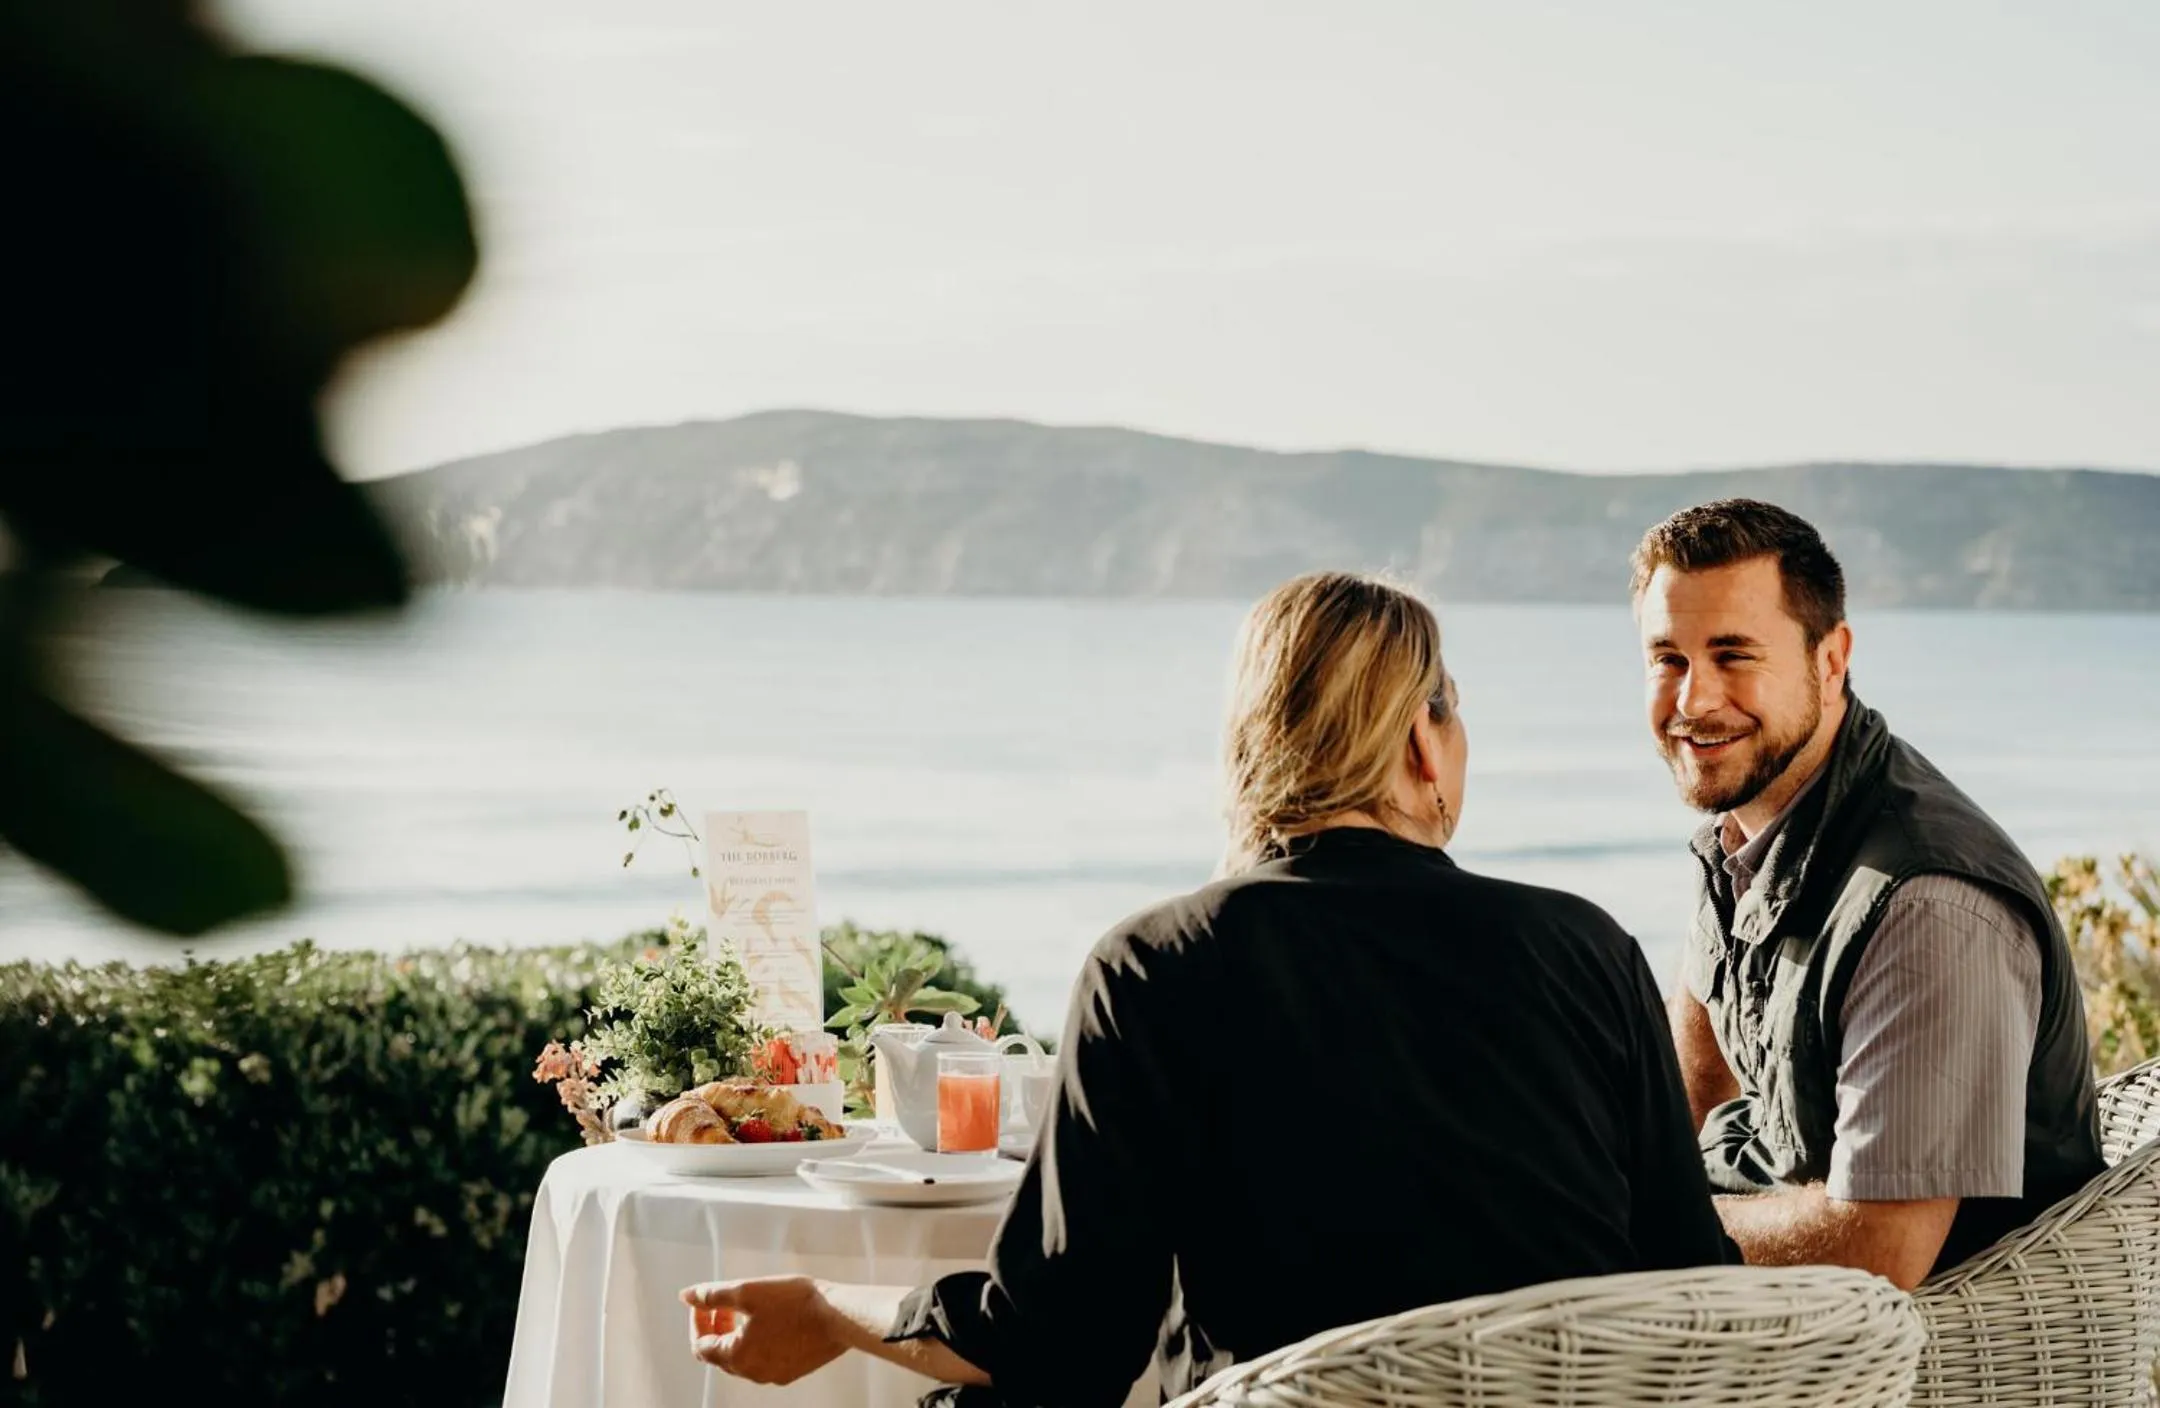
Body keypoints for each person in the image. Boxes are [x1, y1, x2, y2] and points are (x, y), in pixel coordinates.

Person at [681, 571, 1733, 1406]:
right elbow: (1693, 1283)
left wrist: (830, 1310)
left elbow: (1061, 1345)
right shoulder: (1587, 947)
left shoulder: (1154, 966)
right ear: (1422, 740)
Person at [1634, 498, 2104, 1290]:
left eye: (1733, 654)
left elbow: (1877, 1249)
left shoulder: (1928, 904)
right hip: (1777, 1294)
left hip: (1930, 1353)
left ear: (1831, 659)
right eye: (1667, 659)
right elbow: (1698, 1057)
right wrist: (1614, 1177)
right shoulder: (1748, 825)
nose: (1693, 701)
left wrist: (1645, 1218)